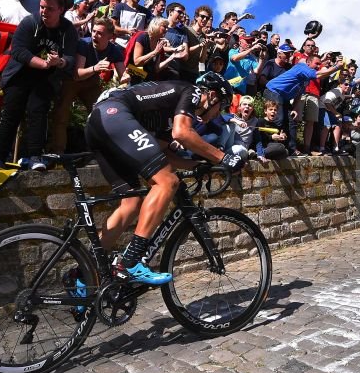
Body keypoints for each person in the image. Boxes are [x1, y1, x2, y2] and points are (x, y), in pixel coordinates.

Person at [84, 72, 246, 284]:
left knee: (131, 202)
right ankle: (130, 261)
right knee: (167, 181)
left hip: (100, 123)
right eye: (221, 107)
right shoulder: (193, 91)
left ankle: (85, 274)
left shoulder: (168, 115)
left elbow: (164, 153)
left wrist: (201, 165)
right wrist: (225, 158)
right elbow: (182, 134)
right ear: (212, 96)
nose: (218, 115)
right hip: (114, 115)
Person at [0, 0, 77, 169]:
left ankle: (35, 156)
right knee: (11, 113)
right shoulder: (30, 22)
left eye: (50, 9)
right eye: (42, 7)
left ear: (61, 10)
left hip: (45, 80)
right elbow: (18, 51)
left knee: (38, 113)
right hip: (19, 74)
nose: (44, 12)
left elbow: (70, 58)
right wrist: (43, 63)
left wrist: (59, 62)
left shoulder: (68, 30)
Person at [47, 17, 125, 154]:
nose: (95, 35)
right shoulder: (84, 44)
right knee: (61, 115)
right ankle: (57, 153)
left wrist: (126, 77)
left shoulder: (115, 50)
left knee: (101, 115)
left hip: (91, 82)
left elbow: (123, 74)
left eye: (100, 33)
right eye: (94, 31)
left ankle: (99, 152)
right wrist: (95, 68)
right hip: (70, 81)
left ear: (110, 37)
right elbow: (77, 74)